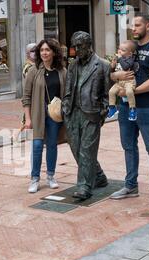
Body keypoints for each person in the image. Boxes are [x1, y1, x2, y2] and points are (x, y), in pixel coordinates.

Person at [109, 13, 149, 208]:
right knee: (128, 147)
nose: (133, 28)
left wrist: (132, 91)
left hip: (147, 106)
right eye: (132, 25)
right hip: (125, 107)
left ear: (148, 26)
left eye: (138, 25)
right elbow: (113, 72)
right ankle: (130, 186)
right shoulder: (127, 48)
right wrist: (118, 75)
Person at [61, 31, 110, 200]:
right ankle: (99, 176)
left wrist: (103, 111)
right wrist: (65, 108)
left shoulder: (103, 65)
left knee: (87, 150)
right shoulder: (73, 65)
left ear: (89, 46)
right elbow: (68, 89)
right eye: (75, 46)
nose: (76, 50)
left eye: (80, 46)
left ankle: (84, 186)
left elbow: (106, 93)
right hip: (73, 113)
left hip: (92, 113)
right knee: (77, 149)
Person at [22, 39, 67, 193]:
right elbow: (26, 97)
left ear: (54, 52)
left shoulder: (62, 71)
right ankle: (34, 178)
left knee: (52, 145)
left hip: (55, 115)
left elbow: (67, 94)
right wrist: (28, 119)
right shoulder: (33, 71)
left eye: (47, 50)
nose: (44, 53)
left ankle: (51, 176)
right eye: (41, 50)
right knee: (37, 146)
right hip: (38, 114)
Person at [108, 40, 139, 121]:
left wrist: (120, 58)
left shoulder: (130, 59)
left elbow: (125, 67)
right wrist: (112, 66)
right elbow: (113, 71)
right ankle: (112, 108)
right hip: (119, 82)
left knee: (129, 92)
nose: (120, 51)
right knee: (111, 91)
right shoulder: (119, 59)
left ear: (130, 53)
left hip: (129, 81)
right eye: (119, 49)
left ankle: (132, 109)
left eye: (123, 50)